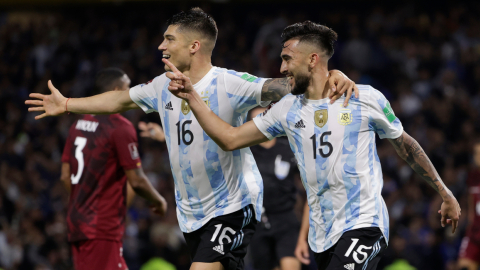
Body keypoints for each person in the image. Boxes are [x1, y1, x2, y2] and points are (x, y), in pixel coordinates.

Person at [26, 8, 358, 270]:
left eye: (169, 39)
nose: (161, 46)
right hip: (191, 214)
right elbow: (119, 100)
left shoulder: (230, 84)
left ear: (193, 46)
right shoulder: (161, 86)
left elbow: (283, 86)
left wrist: (330, 74)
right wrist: (67, 104)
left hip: (233, 205)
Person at [161, 20, 461, 270]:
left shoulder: (364, 98)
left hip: (363, 223)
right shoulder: (287, 109)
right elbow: (230, 138)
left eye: (287, 59)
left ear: (313, 59)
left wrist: (444, 192)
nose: (281, 67)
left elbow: (406, 146)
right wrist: (192, 97)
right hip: (322, 234)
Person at [60, 68, 167, 270]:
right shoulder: (120, 127)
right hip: (101, 226)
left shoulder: (78, 125)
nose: (131, 93)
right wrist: (158, 200)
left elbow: (65, 176)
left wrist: (84, 202)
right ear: (117, 90)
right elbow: (136, 180)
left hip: (77, 222)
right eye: (128, 88)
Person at [248, 106, 302, 270]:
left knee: (290, 264)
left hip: (285, 217)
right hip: (256, 221)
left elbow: (306, 183)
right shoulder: (245, 151)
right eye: (255, 121)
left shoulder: (289, 148)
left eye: (264, 118)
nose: (260, 125)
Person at [457, 142, 480, 270]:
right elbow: (470, 207)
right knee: (463, 266)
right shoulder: (472, 177)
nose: (477, 157)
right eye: (475, 153)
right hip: (474, 234)